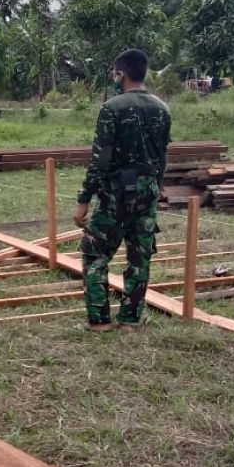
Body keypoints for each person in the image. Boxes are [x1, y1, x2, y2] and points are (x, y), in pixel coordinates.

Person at [72, 49, 172, 332]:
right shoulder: (163, 109)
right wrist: (157, 188)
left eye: (115, 73)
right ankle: (130, 319)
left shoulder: (112, 108)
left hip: (116, 193)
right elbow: (163, 156)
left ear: (122, 74)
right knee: (139, 257)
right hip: (148, 191)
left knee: (95, 253)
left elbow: (100, 160)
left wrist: (83, 199)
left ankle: (99, 320)